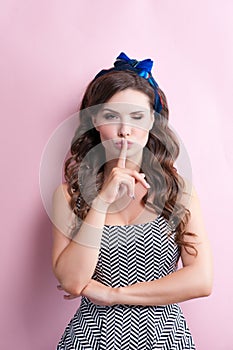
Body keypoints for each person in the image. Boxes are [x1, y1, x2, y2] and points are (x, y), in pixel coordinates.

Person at [52, 52, 213, 349]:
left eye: (136, 117)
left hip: (166, 339)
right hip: (90, 340)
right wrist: (100, 203)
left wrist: (114, 296)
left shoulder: (179, 192)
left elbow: (201, 280)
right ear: (94, 121)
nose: (125, 130)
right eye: (112, 116)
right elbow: (73, 281)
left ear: (153, 120)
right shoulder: (69, 195)